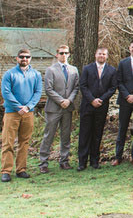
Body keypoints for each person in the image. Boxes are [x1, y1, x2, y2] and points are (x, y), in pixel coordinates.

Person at [0, 49, 43, 182]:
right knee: (8, 142)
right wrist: (18, 107)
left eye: (27, 57)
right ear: (17, 58)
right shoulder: (9, 74)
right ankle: (6, 171)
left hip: (28, 113)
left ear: (30, 58)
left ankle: (21, 169)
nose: (24, 59)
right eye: (22, 57)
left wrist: (28, 107)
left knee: (24, 142)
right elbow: (6, 93)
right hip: (12, 112)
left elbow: (38, 92)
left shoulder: (36, 75)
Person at [38, 45, 79, 174]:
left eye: (66, 53)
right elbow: (48, 89)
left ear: (69, 54)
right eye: (61, 53)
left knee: (65, 135)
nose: (64, 55)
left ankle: (64, 160)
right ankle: (43, 162)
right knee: (49, 135)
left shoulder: (73, 70)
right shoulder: (51, 70)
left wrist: (69, 100)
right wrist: (61, 100)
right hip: (54, 108)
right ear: (57, 55)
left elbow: (76, 87)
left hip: (68, 107)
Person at [78, 46, 118, 171]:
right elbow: (83, 86)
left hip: (102, 106)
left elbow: (112, 88)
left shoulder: (112, 70)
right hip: (87, 106)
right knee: (85, 134)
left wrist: (101, 99)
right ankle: (82, 162)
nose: (102, 56)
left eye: (104, 54)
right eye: (100, 54)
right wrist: (92, 100)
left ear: (107, 56)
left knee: (97, 134)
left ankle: (94, 161)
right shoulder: (87, 68)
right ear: (95, 55)